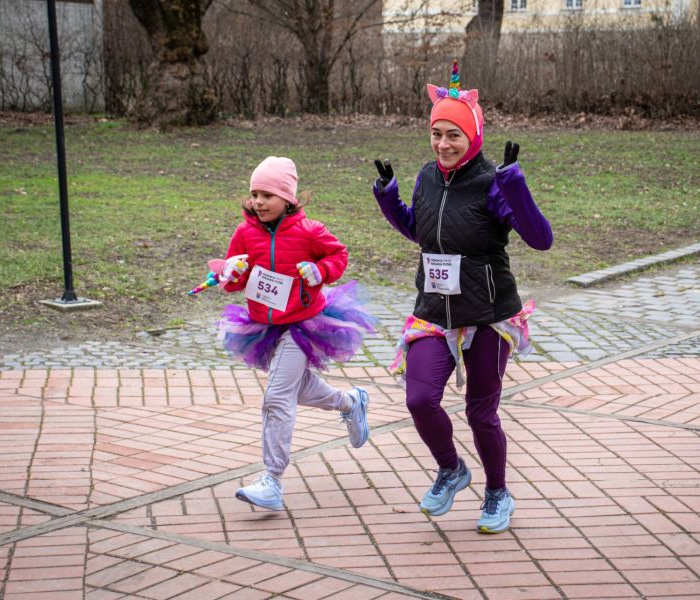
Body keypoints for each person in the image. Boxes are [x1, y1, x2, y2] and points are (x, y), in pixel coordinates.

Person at [372, 61, 553, 534]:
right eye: (437, 134)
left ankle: (497, 492)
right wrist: (389, 200)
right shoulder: (428, 176)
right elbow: (420, 231)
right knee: (419, 398)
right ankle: (451, 469)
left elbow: (541, 239)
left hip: (489, 315)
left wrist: (516, 185)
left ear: (472, 136)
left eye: (454, 135)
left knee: (480, 411)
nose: (444, 144)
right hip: (434, 310)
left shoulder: (493, 181)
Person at [215, 155, 375, 511]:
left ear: (287, 198)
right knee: (294, 386)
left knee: (276, 396)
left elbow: (339, 256)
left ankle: (271, 480)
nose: (258, 202)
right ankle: (351, 403)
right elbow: (231, 283)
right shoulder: (244, 232)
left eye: (267, 195)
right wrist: (232, 270)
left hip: (304, 324)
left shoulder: (309, 231)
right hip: (263, 326)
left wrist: (320, 272)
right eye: (254, 194)